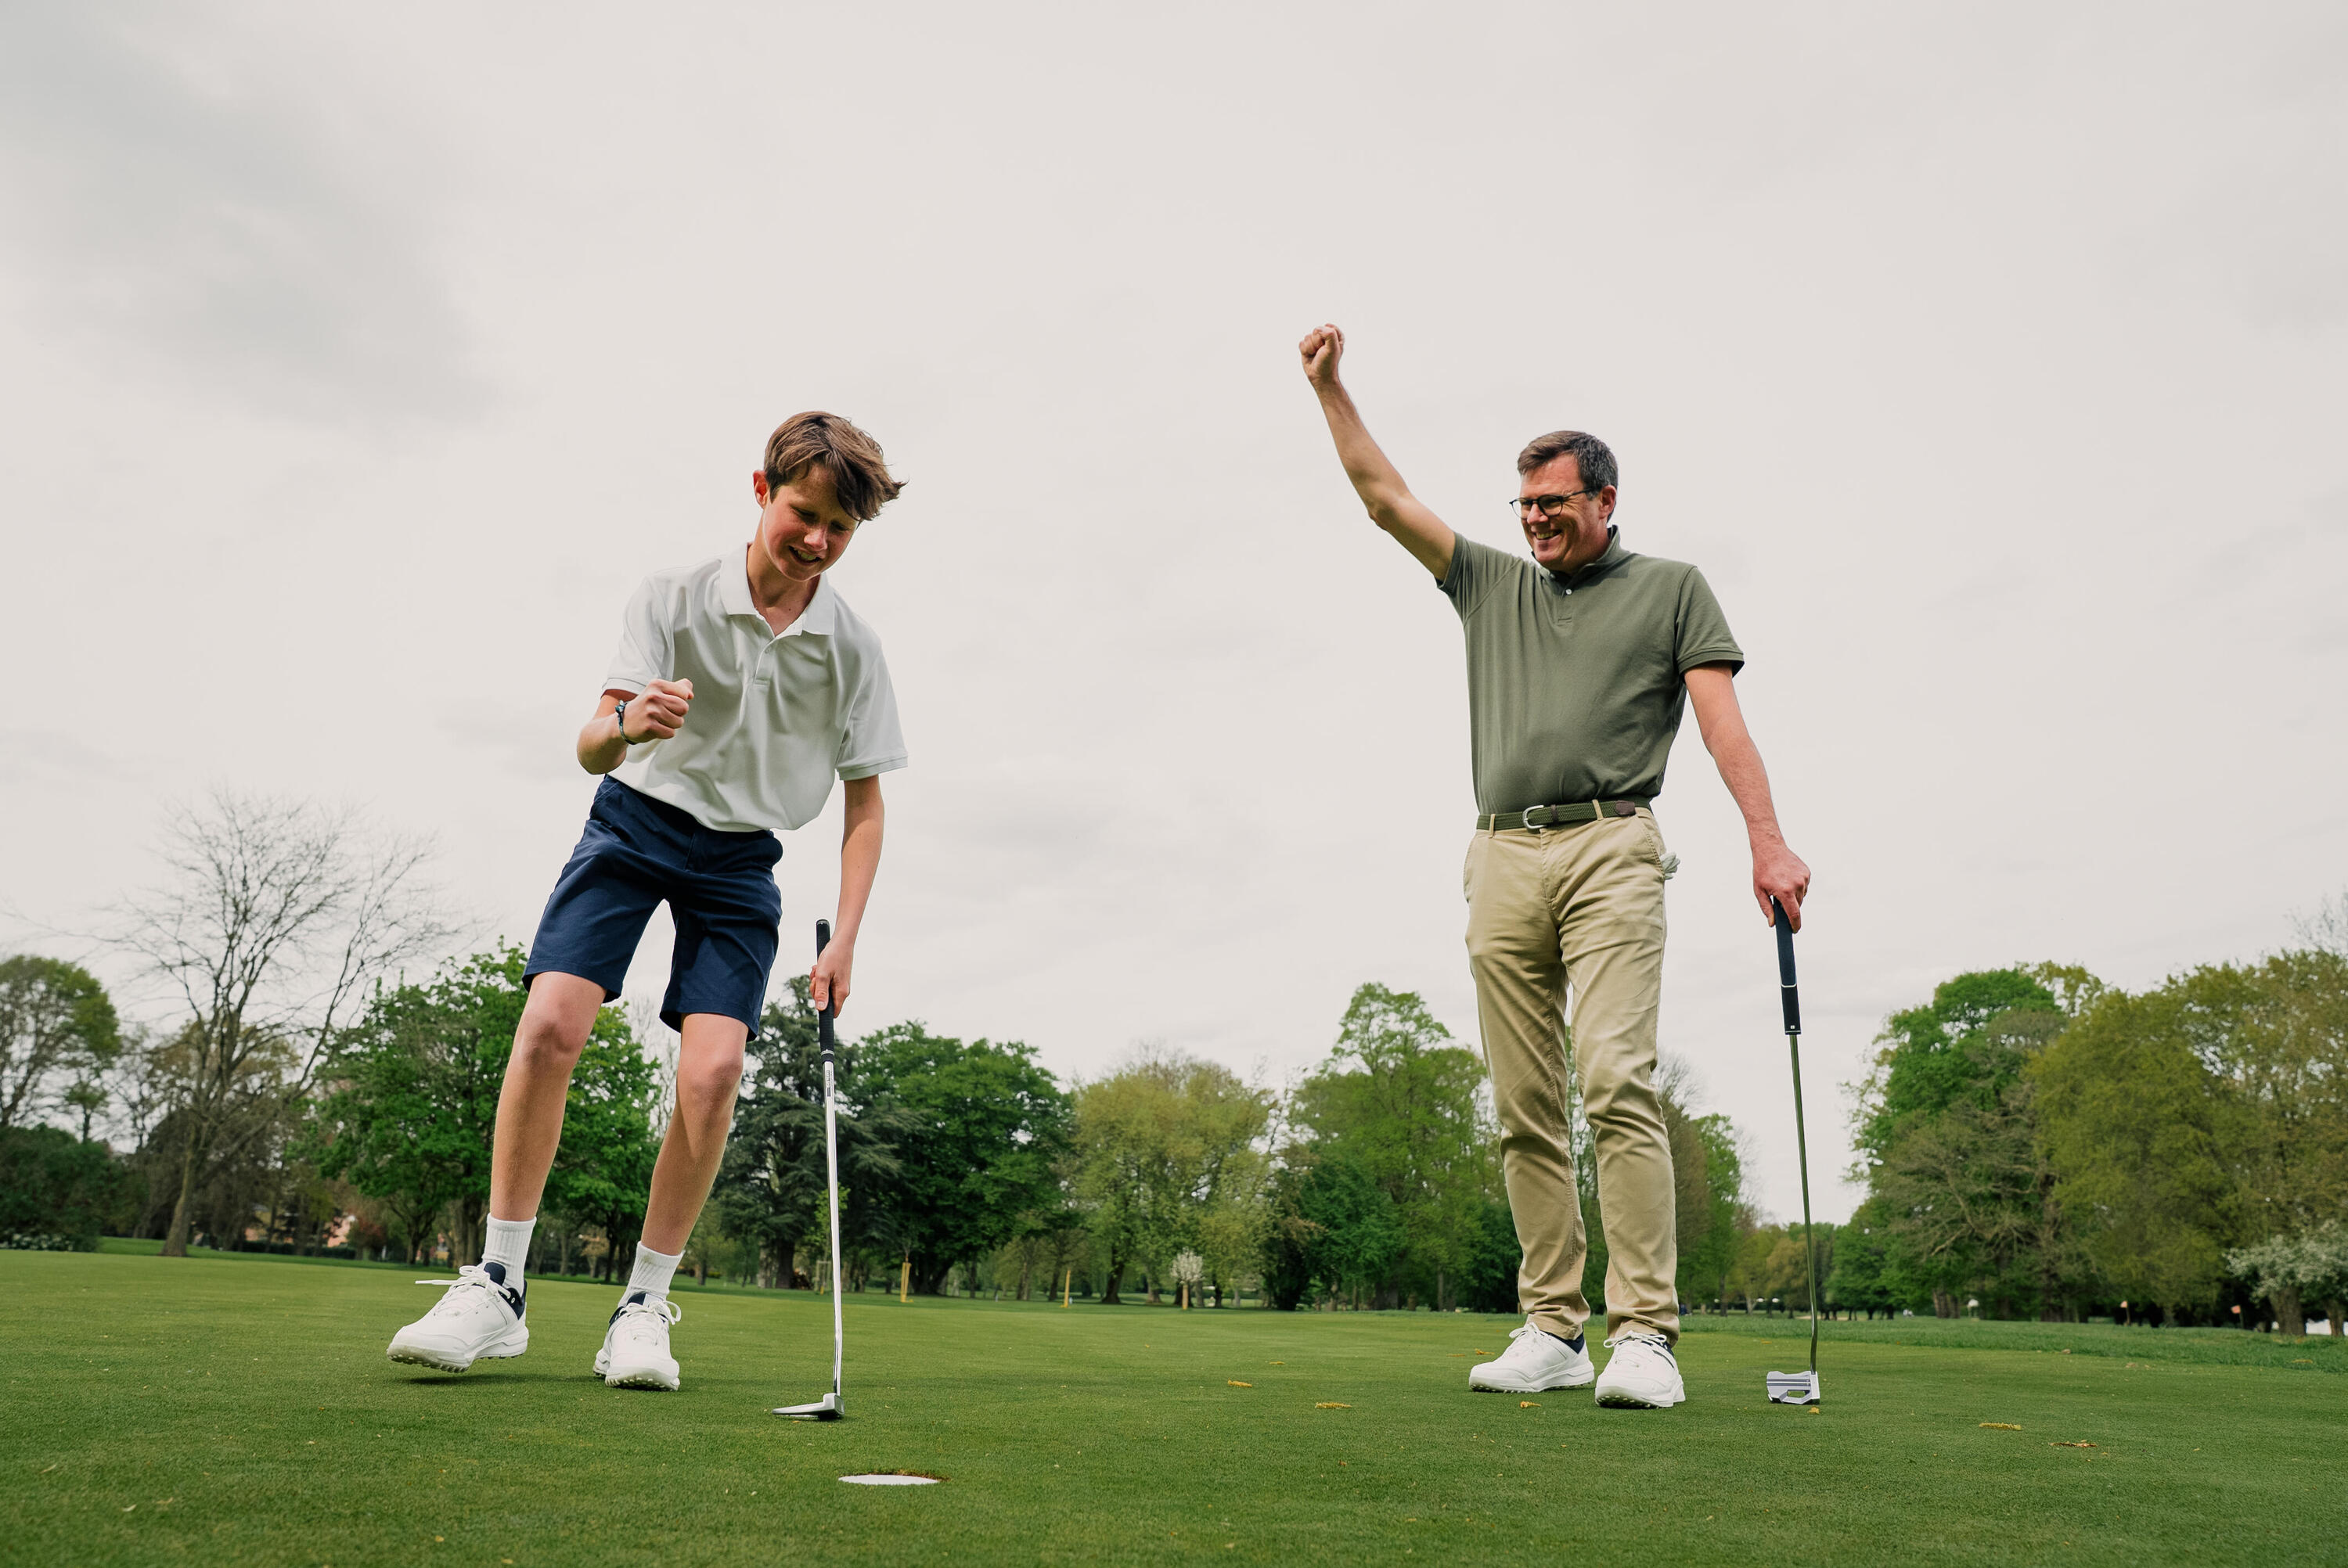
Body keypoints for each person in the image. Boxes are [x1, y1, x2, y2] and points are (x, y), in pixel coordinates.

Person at [1298, 325, 1809, 1409]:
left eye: (1555, 504)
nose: (1535, 521)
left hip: (1614, 842)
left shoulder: (1673, 590)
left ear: (1606, 501)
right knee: (1523, 1104)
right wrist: (1333, 390)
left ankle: (1647, 1339)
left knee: (1616, 1080)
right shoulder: (1489, 582)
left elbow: (1724, 727)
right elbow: (1384, 498)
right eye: (1525, 505)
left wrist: (1768, 838)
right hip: (1499, 852)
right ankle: (1553, 1329)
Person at [387, 411, 908, 1390]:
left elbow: (867, 801)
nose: (818, 542)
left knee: (714, 1074)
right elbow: (589, 743)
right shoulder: (670, 597)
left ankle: (642, 1305)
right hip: (633, 822)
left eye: (841, 529)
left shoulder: (853, 647)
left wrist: (848, 941)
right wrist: (626, 724)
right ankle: (497, 1287)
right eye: (805, 514)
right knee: (550, 1023)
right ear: (761, 491)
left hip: (742, 861)